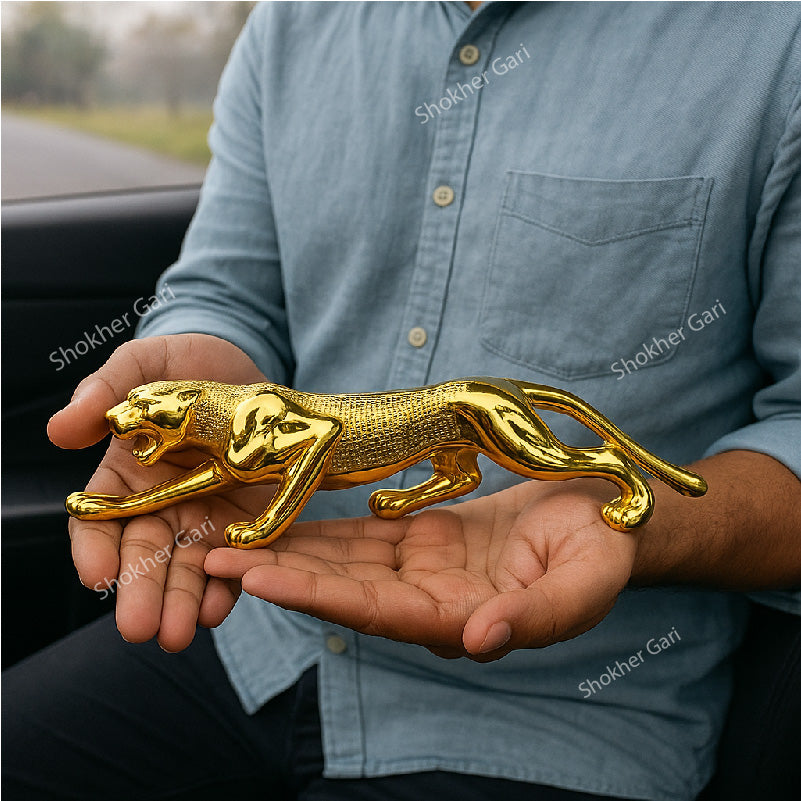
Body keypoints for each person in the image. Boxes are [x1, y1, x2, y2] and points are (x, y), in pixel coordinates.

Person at [5, 3, 801, 800]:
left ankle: (616, 475)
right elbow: (225, 289)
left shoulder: (773, 39)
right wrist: (203, 353)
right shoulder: (292, 23)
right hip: (257, 626)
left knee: (549, 457)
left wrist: (639, 520)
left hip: (556, 711)